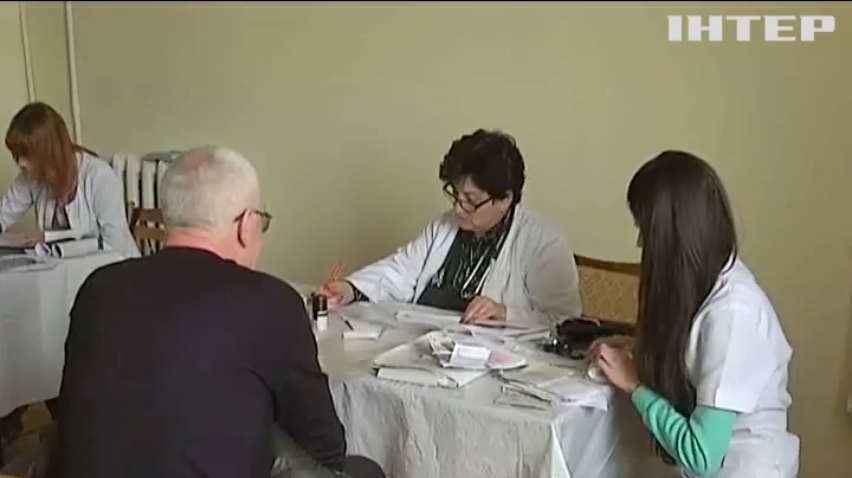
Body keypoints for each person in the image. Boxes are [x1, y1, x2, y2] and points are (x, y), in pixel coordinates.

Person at [51, 146, 384, 478]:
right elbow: (326, 447)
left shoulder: (98, 287)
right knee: (363, 471)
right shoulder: (270, 302)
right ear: (246, 225)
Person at [591, 151, 799, 478]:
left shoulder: (733, 313)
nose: (641, 242)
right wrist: (637, 346)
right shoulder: (710, 277)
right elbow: (696, 351)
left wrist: (635, 384)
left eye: (645, 230)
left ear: (672, 235)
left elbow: (701, 455)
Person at [322, 129, 582, 325]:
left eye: (470, 200)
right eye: (455, 194)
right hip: (420, 342)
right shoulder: (444, 226)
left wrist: (505, 313)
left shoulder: (543, 244)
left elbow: (564, 320)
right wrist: (351, 289)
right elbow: (401, 270)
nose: (458, 208)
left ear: (505, 199)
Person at [0, 102, 139, 258]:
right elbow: (4, 213)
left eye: (26, 154)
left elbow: (115, 246)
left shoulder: (99, 176)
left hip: (114, 267)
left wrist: (48, 237)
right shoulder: (30, 176)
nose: (20, 163)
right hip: (62, 268)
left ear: (48, 150)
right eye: (17, 154)